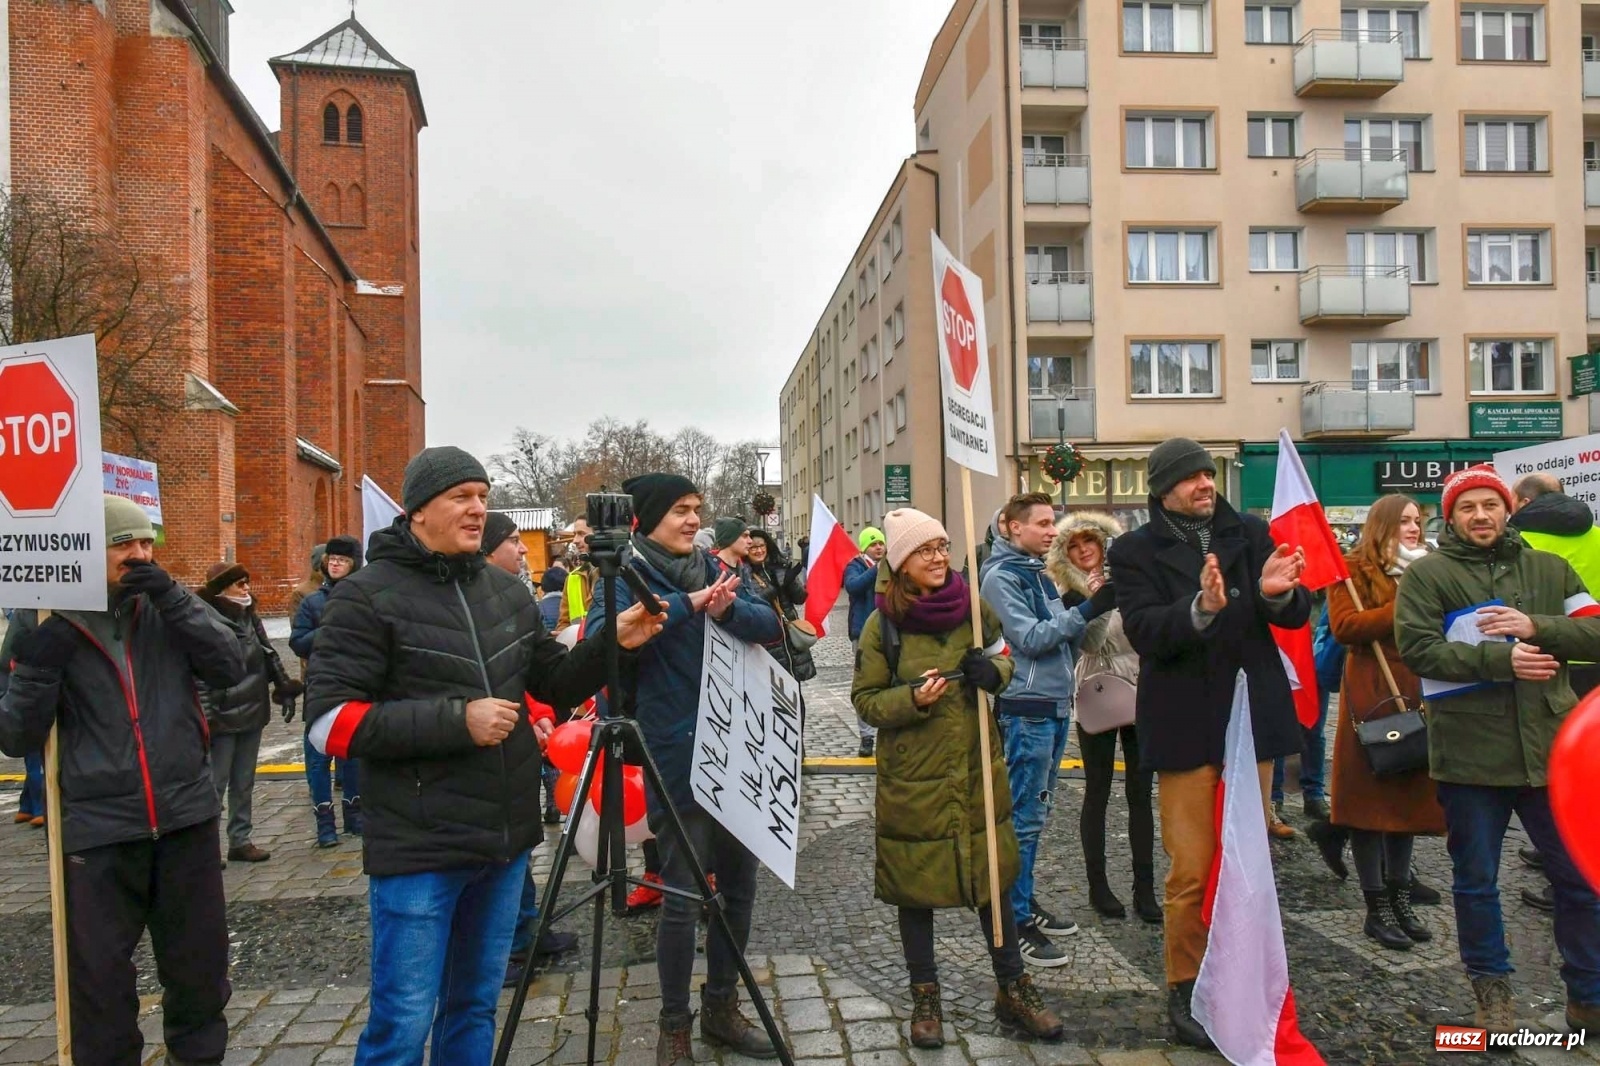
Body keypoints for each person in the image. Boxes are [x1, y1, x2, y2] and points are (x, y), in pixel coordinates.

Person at [305, 446, 664, 1065]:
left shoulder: (505, 591)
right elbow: (329, 725)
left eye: (483, 496)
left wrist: (617, 642)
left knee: (473, 1007)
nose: (478, 510)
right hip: (420, 847)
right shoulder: (365, 597)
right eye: (462, 497)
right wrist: (456, 721)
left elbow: (552, 681)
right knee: (403, 1023)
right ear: (418, 510)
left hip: (502, 841)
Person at [0, 494, 245, 1066]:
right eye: (122, 544)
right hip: (97, 830)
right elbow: (14, 737)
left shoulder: (165, 606)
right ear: (88, 551)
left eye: (146, 544)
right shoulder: (40, 618)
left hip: (184, 816)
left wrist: (174, 598)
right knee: (101, 988)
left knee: (199, 970)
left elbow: (230, 665)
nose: (138, 555)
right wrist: (37, 669)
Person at [1107, 437, 1310, 1049]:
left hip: (1253, 718)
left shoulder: (1249, 532)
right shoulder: (1133, 549)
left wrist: (1277, 593)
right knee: (1192, 867)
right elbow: (1143, 629)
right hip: (1185, 723)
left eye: (1208, 473)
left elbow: (1294, 615)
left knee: (1248, 860)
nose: (1204, 483)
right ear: (1163, 488)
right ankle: (1186, 986)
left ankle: (1245, 977)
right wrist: (1200, 607)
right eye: (1191, 476)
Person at [1395, 465, 1600, 1035]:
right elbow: (1418, 650)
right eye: (1468, 508)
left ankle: (1588, 995)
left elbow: (1596, 630)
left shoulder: (1548, 567)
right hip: (1470, 753)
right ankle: (1493, 997)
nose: (1480, 516)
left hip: (1550, 754)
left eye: (1490, 505)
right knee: (1476, 882)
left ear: (1508, 508)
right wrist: (1498, 659)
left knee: (1580, 879)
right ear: (1452, 516)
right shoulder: (1428, 576)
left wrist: (1536, 625)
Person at [587, 472, 782, 1066]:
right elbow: (603, 641)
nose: (694, 520)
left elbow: (770, 624)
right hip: (676, 755)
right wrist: (688, 607)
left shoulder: (716, 568)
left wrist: (725, 612)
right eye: (680, 510)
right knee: (682, 891)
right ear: (648, 519)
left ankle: (722, 1007)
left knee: (740, 888)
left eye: (696, 509)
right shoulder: (624, 575)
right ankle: (675, 1024)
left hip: (740, 751)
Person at [852, 507, 1063, 1047]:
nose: (940, 556)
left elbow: (1005, 660)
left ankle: (1013, 986)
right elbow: (867, 701)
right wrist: (911, 699)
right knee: (915, 886)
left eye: (943, 546)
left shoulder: (974, 608)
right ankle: (925, 996)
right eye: (926, 549)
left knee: (992, 874)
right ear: (900, 562)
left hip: (975, 766)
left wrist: (993, 673)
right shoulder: (883, 626)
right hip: (913, 777)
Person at [980, 493, 1105, 963]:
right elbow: (1030, 638)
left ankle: (1023, 901)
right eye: (1044, 523)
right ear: (1013, 527)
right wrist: (1085, 610)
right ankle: (1013, 920)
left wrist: (1093, 606)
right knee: (1023, 820)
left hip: (1052, 703)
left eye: (1054, 522)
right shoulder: (1001, 577)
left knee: (1037, 816)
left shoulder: (1037, 573)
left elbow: (1069, 634)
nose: (1054, 532)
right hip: (1025, 706)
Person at [1322, 495, 1445, 951]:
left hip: (1420, 688)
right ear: (1384, 524)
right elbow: (1345, 627)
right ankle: (1375, 906)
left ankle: (1400, 897)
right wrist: (1405, 609)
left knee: (1408, 800)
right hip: (1372, 692)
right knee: (1369, 802)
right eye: (1405, 521)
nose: (1413, 528)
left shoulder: (1431, 566)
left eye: (1418, 520)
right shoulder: (1353, 569)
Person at [478, 510, 580, 989]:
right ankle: (507, 946)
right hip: (484, 753)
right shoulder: (479, 603)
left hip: (516, 744)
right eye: (514, 542)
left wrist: (539, 710)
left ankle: (527, 929)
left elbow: (527, 670)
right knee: (498, 858)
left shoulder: (512, 598)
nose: (523, 550)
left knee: (520, 847)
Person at [1048, 511, 1160, 924]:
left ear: (1103, 545)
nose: (1083, 552)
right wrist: (1094, 603)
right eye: (1074, 547)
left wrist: (1122, 595)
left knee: (1140, 792)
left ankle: (1144, 888)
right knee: (1097, 791)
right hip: (1096, 687)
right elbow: (1088, 644)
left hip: (1141, 686)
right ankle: (1099, 885)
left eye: (1089, 543)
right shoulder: (1070, 597)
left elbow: (1147, 629)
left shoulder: (1132, 581)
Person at [1508, 472, 1600, 911]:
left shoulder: (1521, 538)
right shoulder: (1597, 534)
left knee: (1554, 772)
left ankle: (1564, 866)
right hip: (1595, 663)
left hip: (1546, 663)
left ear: (1522, 503)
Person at [198, 562, 302, 865]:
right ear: (221, 588)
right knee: (215, 784)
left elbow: (267, 651)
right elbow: (200, 672)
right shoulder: (205, 618)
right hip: (223, 712)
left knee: (244, 782)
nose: (246, 589)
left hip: (253, 708)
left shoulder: (248, 614)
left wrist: (284, 686)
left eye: (247, 582)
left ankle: (240, 839)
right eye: (239, 584)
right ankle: (207, 846)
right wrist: (206, 716)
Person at [291, 534, 364, 846]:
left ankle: (355, 816)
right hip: (321, 684)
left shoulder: (362, 598)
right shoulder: (312, 602)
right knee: (318, 756)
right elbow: (298, 642)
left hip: (355, 683)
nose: (335, 564)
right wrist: (328, 631)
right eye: (332, 559)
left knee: (353, 755)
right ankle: (325, 825)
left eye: (343, 560)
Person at [746, 527, 816, 683]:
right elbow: (749, 603)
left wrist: (790, 582)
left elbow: (800, 599)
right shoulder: (744, 574)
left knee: (794, 690)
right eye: (753, 547)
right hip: (768, 642)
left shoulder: (778, 566)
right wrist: (771, 591)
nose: (758, 551)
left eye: (761, 546)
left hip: (790, 639)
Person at [0, 610, 45, 828]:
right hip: (27, 686)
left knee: (33, 755)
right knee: (38, 755)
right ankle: (39, 807)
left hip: (17, 684)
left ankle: (27, 806)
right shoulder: (31, 611)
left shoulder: (23, 611)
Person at [845, 527, 887, 757]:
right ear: (864, 548)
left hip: (888, 630)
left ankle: (887, 731)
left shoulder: (890, 564)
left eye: (881, 543)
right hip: (862, 632)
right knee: (866, 683)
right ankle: (867, 736)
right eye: (873, 544)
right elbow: (853, 586)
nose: (879, 547)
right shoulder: (855, 565)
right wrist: (875, 571)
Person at [555, 519, 596, 630]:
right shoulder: (572, 578)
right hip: (581, 647)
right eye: (575, 534)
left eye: (581, 534)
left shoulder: (619, 574)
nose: (575, 540)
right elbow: (564, 623)